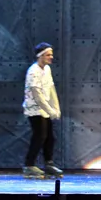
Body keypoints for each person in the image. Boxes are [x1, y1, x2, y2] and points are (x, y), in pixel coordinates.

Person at [23, 42, 63, 178]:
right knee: (39, 136)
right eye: (48, 55)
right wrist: (50, 110)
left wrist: (56, 107)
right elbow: (37, 95)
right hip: (34, 109)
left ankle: (48, 163)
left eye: (51, 54)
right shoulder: (33, 71)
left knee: (50, 137)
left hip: (44, 109)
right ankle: (29, 165)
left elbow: (51, 88)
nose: (51, 57)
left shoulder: (47, 70)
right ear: (40, 56)